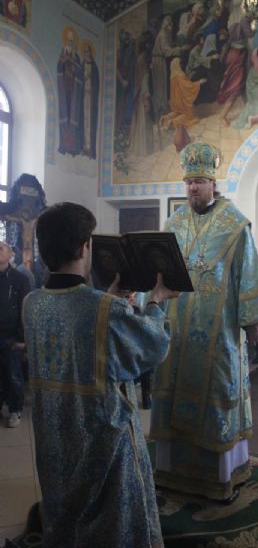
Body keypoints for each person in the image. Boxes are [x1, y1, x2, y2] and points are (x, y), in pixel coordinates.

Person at [23, 202, 179, 547]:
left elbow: (75, 327)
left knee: (64, 505)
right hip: (101, 436)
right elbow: (151, 345)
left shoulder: (32, 303)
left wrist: (110, 300)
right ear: (84, 248)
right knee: (109, 516)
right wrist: (156, 301)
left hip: (54, 433)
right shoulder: (103, 308)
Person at [150, 141, 258, 501]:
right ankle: (172, 471)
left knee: (217, 392)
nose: (193, 188)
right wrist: (146, 302)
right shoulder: (174, 223)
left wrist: (253, 320)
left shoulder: (234, 224)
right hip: (176, 330)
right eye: (189, 182)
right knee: (174, 390)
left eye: (199, 182)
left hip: (219, 331)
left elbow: (248, 271)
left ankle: (221, 475)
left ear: (213, 184)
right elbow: (159, 270)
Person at [0, 241, 30, 428]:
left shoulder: (20, 279)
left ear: (10, 254)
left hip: (12, 337)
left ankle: (15, 410)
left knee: (13, 376)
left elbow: (25, 310)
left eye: (0, 248)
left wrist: (21, 338)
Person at [57, 27, 83, 156]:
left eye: (72, 41)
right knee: (65, 109)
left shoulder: (76, 55)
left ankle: (73, 145)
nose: (70, 43)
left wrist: (71, 60)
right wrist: (64, 60)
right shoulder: (63, 51)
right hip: (65, 84)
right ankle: (64, 143)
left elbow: (79, 70)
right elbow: (59, 66)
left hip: (74, 88)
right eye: (68, 40)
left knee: (73, 111)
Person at [159, 57, 206, 130]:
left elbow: (184, 83)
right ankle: (172, 122)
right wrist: (199, 82)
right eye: (179, 64)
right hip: (182, 101)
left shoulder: (172, 77)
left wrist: (190, 76)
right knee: (188, 117)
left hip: (175, 101)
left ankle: (166, 118)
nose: (181, 65)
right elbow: (187, 85)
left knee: (177, 112)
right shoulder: (180, 75)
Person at [81, 41, 99, 159]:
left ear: (90, 52)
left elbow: (97, 83)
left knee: (90, 122)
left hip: (91, 98)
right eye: (85, 52)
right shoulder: (82, 65)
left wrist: (93, 88)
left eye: (88, 51)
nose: (86, 53)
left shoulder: (94, 67)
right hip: (84, 96)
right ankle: (84, 146)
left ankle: (89, 147)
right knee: (84, 120)